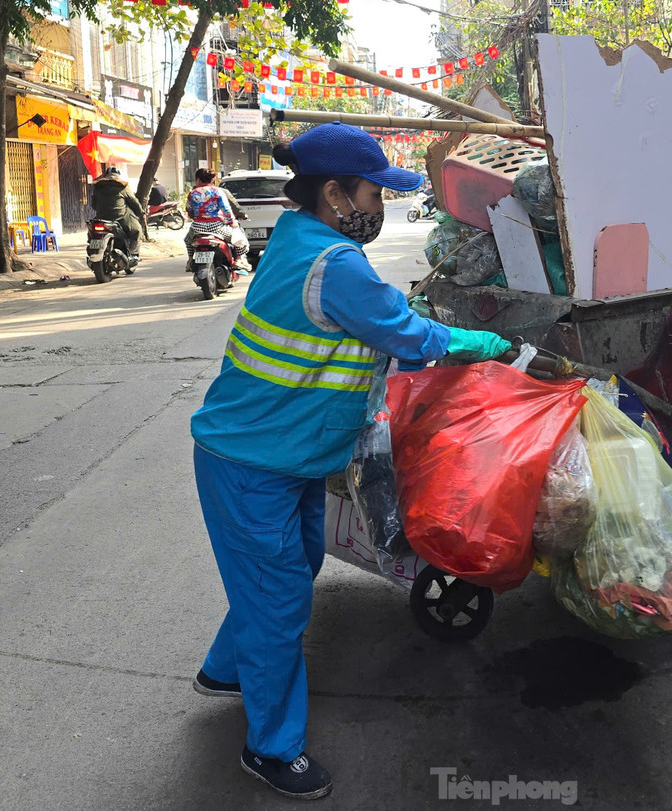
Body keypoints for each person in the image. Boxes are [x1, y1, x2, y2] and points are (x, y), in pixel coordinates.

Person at [188, 122, 510, 800]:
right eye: (373, 193)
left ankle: (227, 668)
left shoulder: (299, 236)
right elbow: (408, 334)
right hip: (251, 462)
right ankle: (272, 748)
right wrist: (482, 343)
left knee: (292, 568)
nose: (380, 205)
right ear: (334, 194)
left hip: (285, 454)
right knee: (277, 601)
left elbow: (360, 323)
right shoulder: (333, 263)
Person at [185, 168, 251, 270]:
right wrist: (232, 222)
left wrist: (195, 217)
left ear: (197, 179)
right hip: (217, 228)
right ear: (212, 179)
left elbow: (189, 210)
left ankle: (190, 260)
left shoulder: (192, 193)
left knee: (188, 240)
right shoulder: (217, 191)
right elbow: (226, 209)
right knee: (240, 239)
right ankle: (239, 259)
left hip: (197, 228)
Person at [89, 167, 146, 256]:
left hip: (102, 218)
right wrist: (141, 212)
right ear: (118, 176)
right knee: (137, 230)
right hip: (120, 218)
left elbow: (94, 205)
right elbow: (134, 202)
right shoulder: (123, 186)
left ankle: (93, 250)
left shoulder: (98, 187)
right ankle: (132, 254)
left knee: (92, 231)